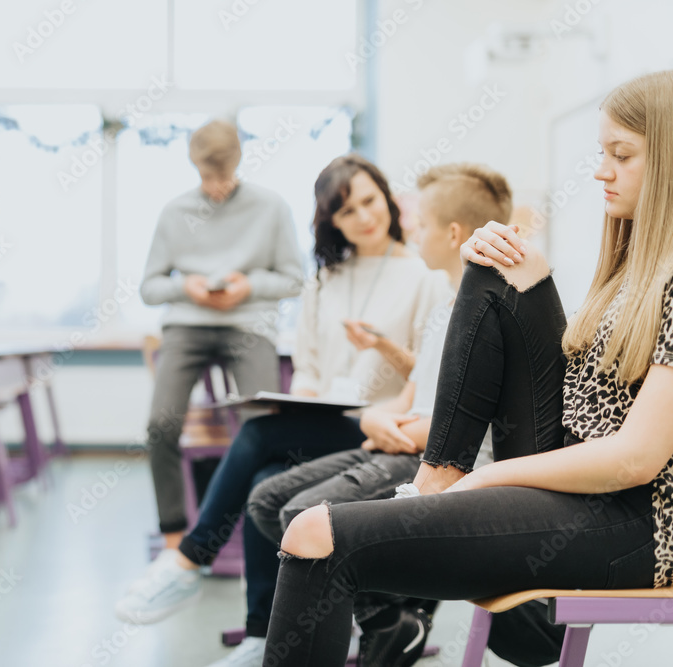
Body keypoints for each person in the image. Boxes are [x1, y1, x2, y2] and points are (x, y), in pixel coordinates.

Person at [262, 70, 673, 667]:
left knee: (312, 534)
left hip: (633, 521)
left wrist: (488, 480)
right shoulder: (631, 270)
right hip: (574, 470)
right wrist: (532, 285)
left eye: (622, 155)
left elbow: (636, 458)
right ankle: (437, 476)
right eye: (601, 153)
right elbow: (583, 390)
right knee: (490, 257)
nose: (601, 171)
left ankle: (450, 483)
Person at [118, 154, 449, 667]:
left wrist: (383, 351)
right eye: (346, 211)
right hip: (330, 420)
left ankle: (189, 560)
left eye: (369, 200)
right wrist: (308, 404)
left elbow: (429, 372)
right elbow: (312, 369)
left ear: (386, 197)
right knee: (263, 476)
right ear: (330, 221)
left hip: (386, 425)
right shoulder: (323, 281)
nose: (364, 216)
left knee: (254, 441)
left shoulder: (424, 276)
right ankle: (258, 636)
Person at [246, 163, 511, 667]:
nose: (407, 229)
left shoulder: (486, 310)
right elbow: (415, 393)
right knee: (266, 499)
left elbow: (472, 419)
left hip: (427, 454)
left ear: (452, 234)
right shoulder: (444, 307)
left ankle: (382, 616)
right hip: (402, 439)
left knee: (293, 514)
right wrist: (374, 420)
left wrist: (403, 429)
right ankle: (386, 619)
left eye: (421, 224)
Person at [140, 119, 304, 551]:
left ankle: (262, 526)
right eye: (206, 177)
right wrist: (185, 286)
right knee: (160, 424)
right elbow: (149, 287)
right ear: (193, 164)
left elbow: (294, 280)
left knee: (262, 427)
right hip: (187, 324)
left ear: (240, 161)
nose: (215, 187)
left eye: (224, 176)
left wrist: (248, 285)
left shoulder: (271, 208)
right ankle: (175, 533)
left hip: (249, 324)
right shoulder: (175, 212)